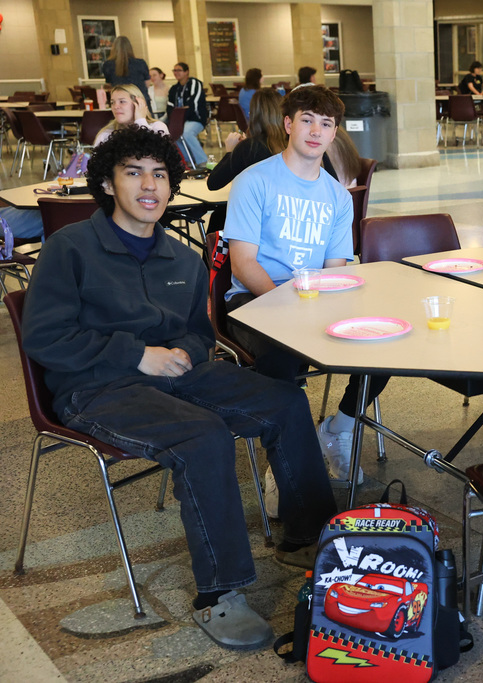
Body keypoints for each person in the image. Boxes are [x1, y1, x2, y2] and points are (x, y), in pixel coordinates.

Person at [20, 126, 338, 651]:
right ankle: (220, 593)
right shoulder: (69, 248)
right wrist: (136, 354)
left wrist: (188, 351)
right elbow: (46, 336)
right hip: (95, 386)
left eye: (160, 174)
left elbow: (196, 329)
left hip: (178, 372)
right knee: (204, 435)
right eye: (133, 172)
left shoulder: (182, 259)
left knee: (282, 400)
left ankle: (307, 537)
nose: (150, 185)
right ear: (107, 183)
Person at [221, 86, 379, 496]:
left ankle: (338, 429)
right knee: (280, 354)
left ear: (334, 133)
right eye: (307, 120)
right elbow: (243, 264)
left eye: (325, 124)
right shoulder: (253, 181)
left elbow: (334, 269)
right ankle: (286, 458)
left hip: (313, 300)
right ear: (288, 124)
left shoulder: (337, 197)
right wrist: (288, 306)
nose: (315, 130)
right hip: (254, 300)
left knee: (383, 345)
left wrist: (319, 309)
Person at [206, 88, 288, 234]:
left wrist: (230, 152)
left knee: (218, 216)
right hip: (286, 218)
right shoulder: (292, 144)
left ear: (253, 116)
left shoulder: (249, 148)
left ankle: (212, 258)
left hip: (253, 222)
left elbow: (213, 183)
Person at [94, 84, 169, 147]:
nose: (115, 106)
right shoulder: (106, 134)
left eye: (122, 101)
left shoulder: (158, 127)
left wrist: (140, 121)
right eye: (112, 102)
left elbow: (152, 153)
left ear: (138, 104)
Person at [167, 62, 209, 166]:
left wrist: (182, 112)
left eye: (179, 70)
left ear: (187, 72)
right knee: (172, 134)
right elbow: (170, 107)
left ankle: (202, 161)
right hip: (180, 120)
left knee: (187, 133)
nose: (176, 72)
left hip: (196, 118)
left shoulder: (195, 84)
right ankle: (188, 160)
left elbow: (193, 104)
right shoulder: (174, 89)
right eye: (174, 70)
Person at [101, 36, 152, 111]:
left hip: (121, 102)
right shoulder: (140, 63)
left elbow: (109, 85)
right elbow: (147, 84)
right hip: (140, 100)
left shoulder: (108, 65)